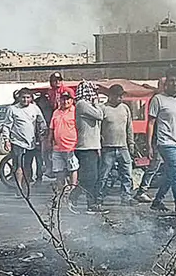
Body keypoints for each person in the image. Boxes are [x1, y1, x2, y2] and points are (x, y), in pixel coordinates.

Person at [149, 68, 176, 214]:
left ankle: (157, 201)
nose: (174, 83)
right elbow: (151, 123)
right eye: (171, 80)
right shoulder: (158, 99)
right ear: (166, 82)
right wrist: (149, 145)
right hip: (165, 143)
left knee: (170, 175)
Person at [97, 84, 135, 203]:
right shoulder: (103, 108)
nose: (120, 98)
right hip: (108, 148)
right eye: (118, 96)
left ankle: (126, 196)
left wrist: (131, 143)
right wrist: (99, 146)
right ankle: (99, 197)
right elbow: (98, 129)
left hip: (123, 147)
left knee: (127, 173)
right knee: (104, 174)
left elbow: (129, 127)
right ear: (111, 95)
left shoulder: (125, 108)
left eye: (121, 96)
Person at [6, 87, 47, 194]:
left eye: (28, 97)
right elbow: (7, 126)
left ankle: (26, 187)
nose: (25, 100)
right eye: (23, 97)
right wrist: (6, 140)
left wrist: (43, 133)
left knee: (27, 166)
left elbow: (41, 122)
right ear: (19, 98)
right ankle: (19, 189)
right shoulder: (12, 109)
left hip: (31, 143)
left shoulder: (35, 108)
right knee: (19, 166)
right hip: (17, 142)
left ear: (31, 98)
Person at [75, 80, 107, 214]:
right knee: (90, 177)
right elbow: (100, 115)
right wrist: (96, 102)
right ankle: (79, 199)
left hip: (93, 146)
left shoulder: (88, 105)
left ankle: (90, 203)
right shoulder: (82, 104)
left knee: (91, 177)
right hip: (85, 147)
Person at [49, 89, 79, 193]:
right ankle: (61, 192)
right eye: (63, 99)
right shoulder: (56, 112)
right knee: (59, 171)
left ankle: (73, 190)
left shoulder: (75, 112)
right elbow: (52, 129)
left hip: (71, 147)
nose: (65, 102)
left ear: (72, 100)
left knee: (72, 169)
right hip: (57, 147)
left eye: (68, 99)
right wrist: (49, 142)